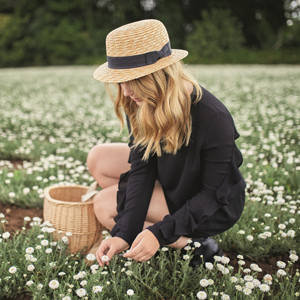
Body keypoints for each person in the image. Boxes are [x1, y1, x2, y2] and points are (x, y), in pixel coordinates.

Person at [87, 19, 246, 268]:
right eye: (121, 80)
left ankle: (194, 244)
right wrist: (123, 235)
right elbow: (143, 169)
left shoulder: (213, 116)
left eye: (133, 80)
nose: (126, 92)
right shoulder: (139, 104)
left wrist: (159, 234)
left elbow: (212, 194)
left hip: (212, 206)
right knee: (98, 159)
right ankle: (168, 229)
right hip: (174, 182)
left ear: (159, 75)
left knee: (104, 204)